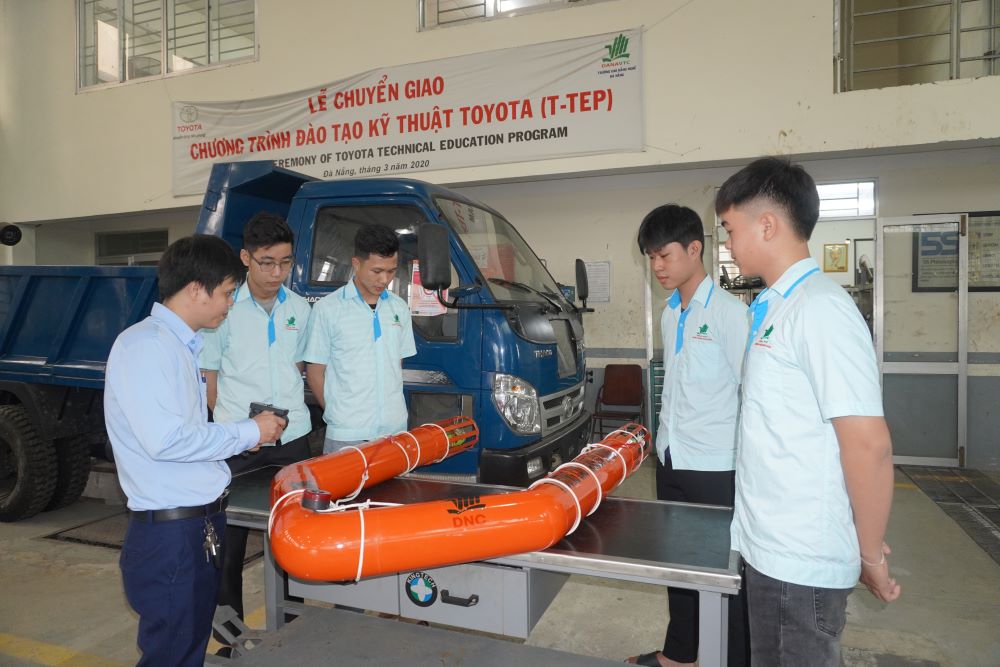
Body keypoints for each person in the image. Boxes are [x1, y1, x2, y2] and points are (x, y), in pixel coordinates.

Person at [716, 157, 901, 666]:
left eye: (730, 229)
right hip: (770, 549)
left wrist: (869, 553)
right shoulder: (775, 306)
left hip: (800, 563)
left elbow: (868, 444)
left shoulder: (819, 308)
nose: (727, 243)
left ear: (768, 224)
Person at [104, 235, 286, 666]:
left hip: (194, 528)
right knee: (172, 654)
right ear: (195, 290)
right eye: (226, 292)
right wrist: (247, 431)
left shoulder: (179, 345)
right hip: (172, 538)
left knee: (186, 650)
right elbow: (167, 441)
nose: (229, 303)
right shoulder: (147, 348)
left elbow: (184, 434)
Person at [626, 205, 750, 667]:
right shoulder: (669, 313)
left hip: (717, 466)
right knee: (678, 566)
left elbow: (752, 391)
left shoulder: (729, 314)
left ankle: (730, 658)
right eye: (650, 258)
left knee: (724, 574)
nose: (656, 267)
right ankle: (680, 654)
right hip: (674, 458)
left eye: (664, 255)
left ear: (694, 249)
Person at [199, 212, 314, 639]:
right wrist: (235, 432)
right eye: (267, 262)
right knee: (226, 547)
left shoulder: (300, 308)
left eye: (285, 263)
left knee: (292, 541)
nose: (276, 273)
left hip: (292, 440)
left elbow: (300, 367)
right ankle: (230, 640)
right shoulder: (225, 308)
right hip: (237, 444)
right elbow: (209, 379)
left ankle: (292, 632)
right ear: (246, 258)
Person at [304, 224, 416, 453]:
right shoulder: (328, 309)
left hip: (394, 431)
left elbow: (397, 364)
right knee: (345, 490)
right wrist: (337, 416)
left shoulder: (399, 308)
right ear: (356, 264)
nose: (384, 279)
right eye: (376, 271)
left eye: (391, 270)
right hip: (346, 434)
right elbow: (315, 373)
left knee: (394, 490)